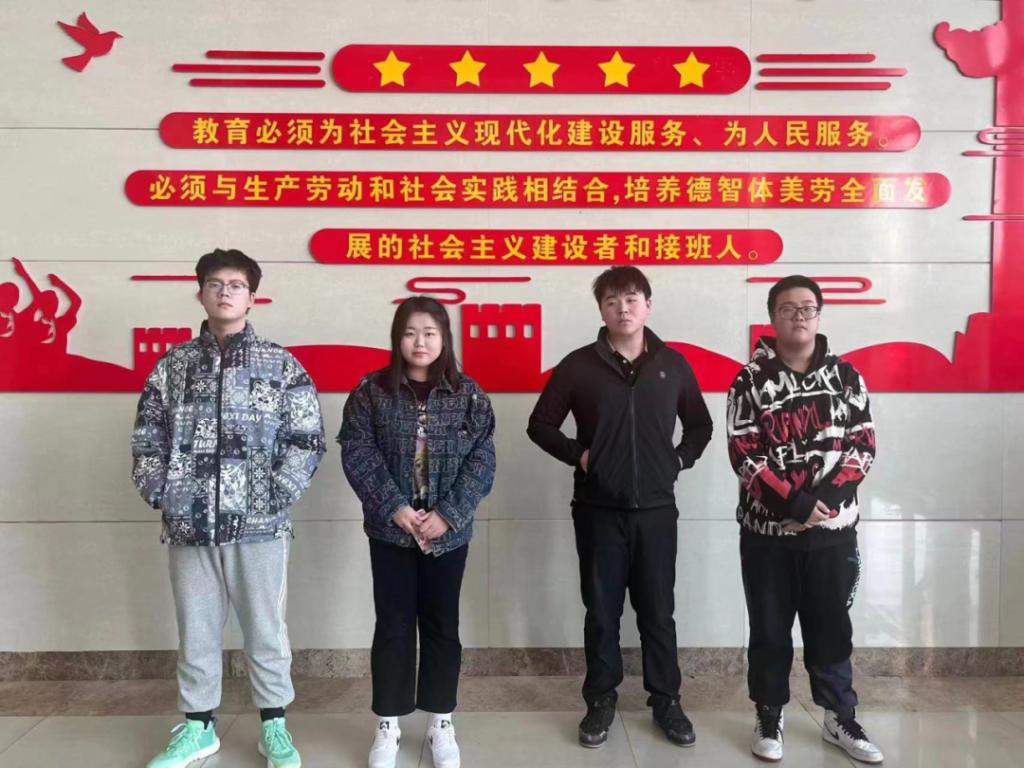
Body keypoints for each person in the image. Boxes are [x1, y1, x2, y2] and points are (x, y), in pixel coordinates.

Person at [132, 248, 325, 768]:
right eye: (215, 284)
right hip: (189, 523)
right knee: (196, 629)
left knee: (266, 629)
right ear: (200, 293)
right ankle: (199, 729)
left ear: (252, 297)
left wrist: (274, 494)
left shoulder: (279, 364)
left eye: (236, 285)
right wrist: (163, 491)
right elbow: (148, 436)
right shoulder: (173, 366)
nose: (225, 292)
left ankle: (274, 726)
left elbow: (307, 438)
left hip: (259, 526)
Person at [527, 266, 713, 749]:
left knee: (658, 612)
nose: (622, 308)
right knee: (602, 612)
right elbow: (540, 424)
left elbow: (700, 425)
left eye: (631, 299)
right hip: (598, 510)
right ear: (601, 310)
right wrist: (581, 455)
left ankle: (667, 701)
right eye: (611, 301)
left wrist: (677, 460)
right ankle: (600, 701)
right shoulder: (578, 366)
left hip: (656, 510)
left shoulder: (672, 364)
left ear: (648, 305)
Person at [726, 274, 883, 764]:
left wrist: (823, 504)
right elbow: (744, 452)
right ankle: (768, 713)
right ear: (772, 317)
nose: (798, 316)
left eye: (807, 307)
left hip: (833, 533)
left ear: (819, 314)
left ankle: (839, 716)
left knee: (831, 628)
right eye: (788, 308)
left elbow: (863, 445)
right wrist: (793, 505)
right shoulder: (749, 380)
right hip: (767, 534)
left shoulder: (847, 377)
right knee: (769, 629)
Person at [340, 296, 495, 768]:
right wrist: (394, 507)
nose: (420, 341)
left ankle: (441, 721)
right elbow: (357, 451)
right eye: (410, 332)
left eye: (430, 332)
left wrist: (449, 513)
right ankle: (388, 724)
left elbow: (482, 459)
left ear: (444, 338)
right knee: (393, 625)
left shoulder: (468, 393)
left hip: (448, 534)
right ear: (397, 338)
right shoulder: (371, 391)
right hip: (391, 532)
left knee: (442, 625)